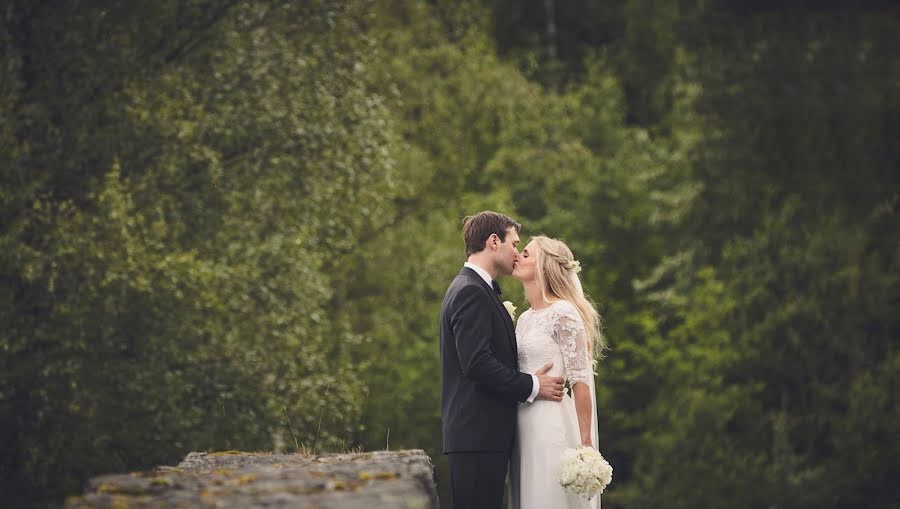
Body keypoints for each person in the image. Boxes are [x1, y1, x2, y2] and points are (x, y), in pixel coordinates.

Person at [440, 211, 566, 509]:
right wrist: (533, 385)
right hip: (477, 438)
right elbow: (477, 362)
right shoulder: (471, 291)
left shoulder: (475, 288)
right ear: (494, 241)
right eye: (514, 243)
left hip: (481, 438)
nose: (516, 253)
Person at [508, 236, 606, 509]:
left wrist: (586, 446)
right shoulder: (525, 318)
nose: (518, 256)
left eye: (526, 254)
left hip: (551, 423)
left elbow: (580, 380)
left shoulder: (563, 313)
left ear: (543, 265)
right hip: (523, 422)